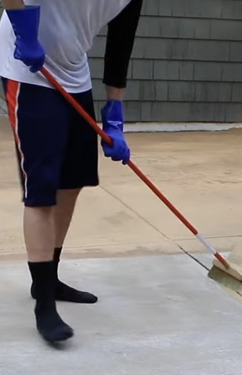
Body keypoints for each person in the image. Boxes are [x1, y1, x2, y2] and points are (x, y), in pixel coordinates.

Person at [0, 0, 143, 343]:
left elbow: (121, 42)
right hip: (25, 66)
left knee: (72, 182)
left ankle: (47, 279)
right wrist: (23, 29)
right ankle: (44, 305)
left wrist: (115, 110)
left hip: (73, 73)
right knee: (43, 190)